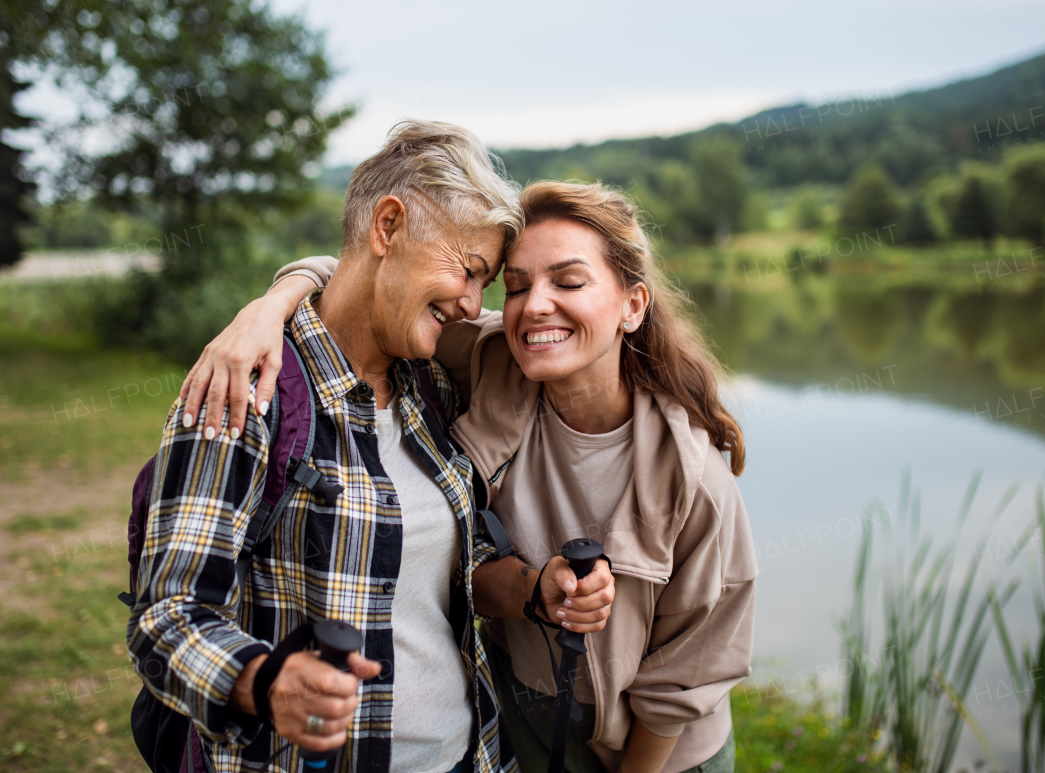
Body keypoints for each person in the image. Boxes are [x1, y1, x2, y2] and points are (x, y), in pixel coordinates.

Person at [182, 181, 758, 773]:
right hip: (523, 721)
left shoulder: (694, 476)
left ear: (633, 306)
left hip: (659, 747)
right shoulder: (490, 357)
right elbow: (370, 281)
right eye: (514, 286)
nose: (535, 305)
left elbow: (693, 670)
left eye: (568, 282)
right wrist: (270, 306)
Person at [128, 122, 616, 773]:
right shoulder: (249, 389)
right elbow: (165, 617)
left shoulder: (430, 385)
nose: (473, 305)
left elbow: (450, 559)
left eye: (485, 283)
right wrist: (264, 682)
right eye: (468, 270)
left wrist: (536, 590)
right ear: (387, 227)